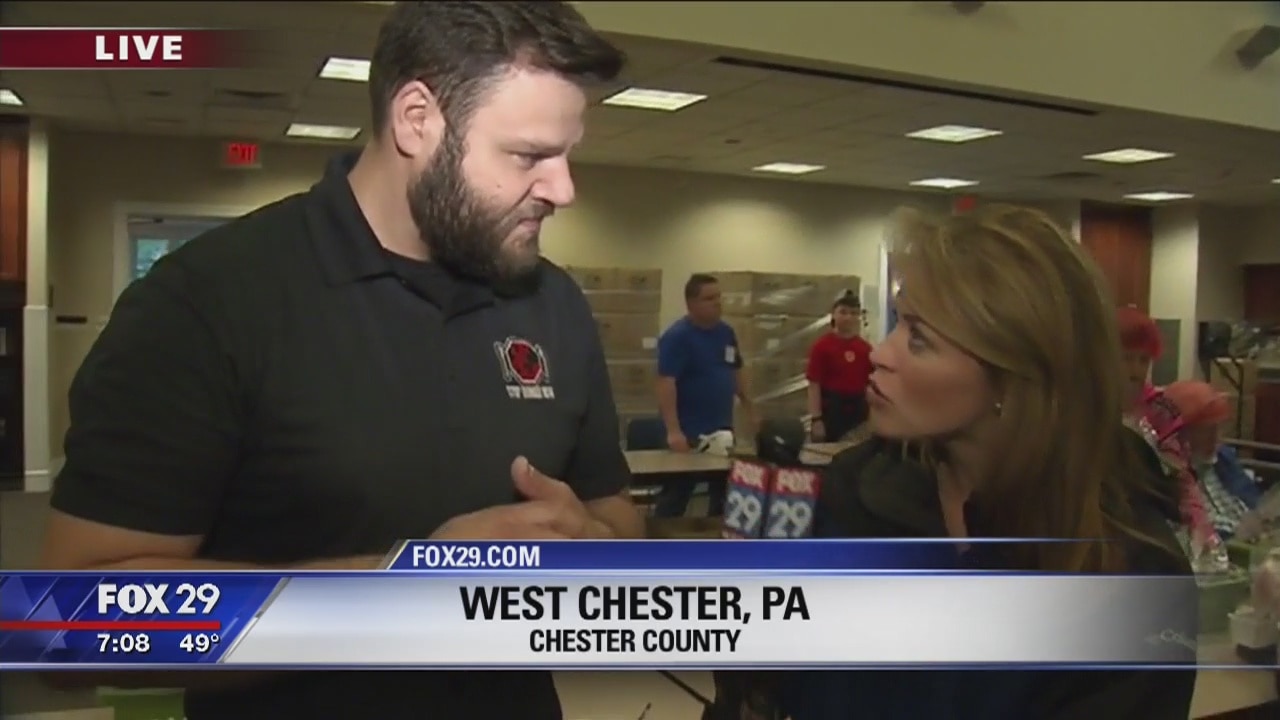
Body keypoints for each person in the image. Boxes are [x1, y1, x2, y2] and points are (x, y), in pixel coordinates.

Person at [40, 3, 642, 718]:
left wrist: (588, 546)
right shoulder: (206, 301)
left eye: (567, 155)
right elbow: (70, 625)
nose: (563, 189)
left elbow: (615, 517)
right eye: (529, 155)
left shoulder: (555, 304)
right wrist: (400, 593)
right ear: (416, 119)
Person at [713, 205, 1196, 719]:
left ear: (1015, 375)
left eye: (919, 338)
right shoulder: (855, 492)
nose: (881, 354)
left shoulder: (1132, 578)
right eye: (898, 323)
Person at [1116, 306, 1219, 557]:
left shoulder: (1160, 411)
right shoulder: (1086, 406)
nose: (1135, 370)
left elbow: (1181, 477)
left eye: (1143, 360)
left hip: (1151, 525)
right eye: (1127, 358)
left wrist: (1201, 528)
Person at [654, 273, 756, 517]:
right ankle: (659, 537)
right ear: (691, 303)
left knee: (723, 494)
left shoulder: (726, 333)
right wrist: (673, 431)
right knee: (677, 495)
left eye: (719, 297)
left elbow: (736, 370)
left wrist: (751, 409)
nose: (717, 302)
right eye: (709, 298)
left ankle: (716, 536)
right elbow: (665, 383)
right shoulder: (677, 337)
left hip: (722, 431)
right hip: (689, 432)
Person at [1163, 379, 1262, 539]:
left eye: (1218, 427)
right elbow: (1193, 533)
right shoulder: (1169, 475)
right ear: (1180, 433)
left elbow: (1254, 501)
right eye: (1205, 430)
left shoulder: (1223, 458)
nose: (1215, 437)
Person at [805, 292, 872, 442]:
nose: (848, 317)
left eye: (853, 313)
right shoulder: (821, 346)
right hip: (832, 412)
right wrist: (816, 419)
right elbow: (814, 385)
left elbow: (870, 386)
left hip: (859, 412)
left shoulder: (865, 349)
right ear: (833, 314)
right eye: (843, 312)